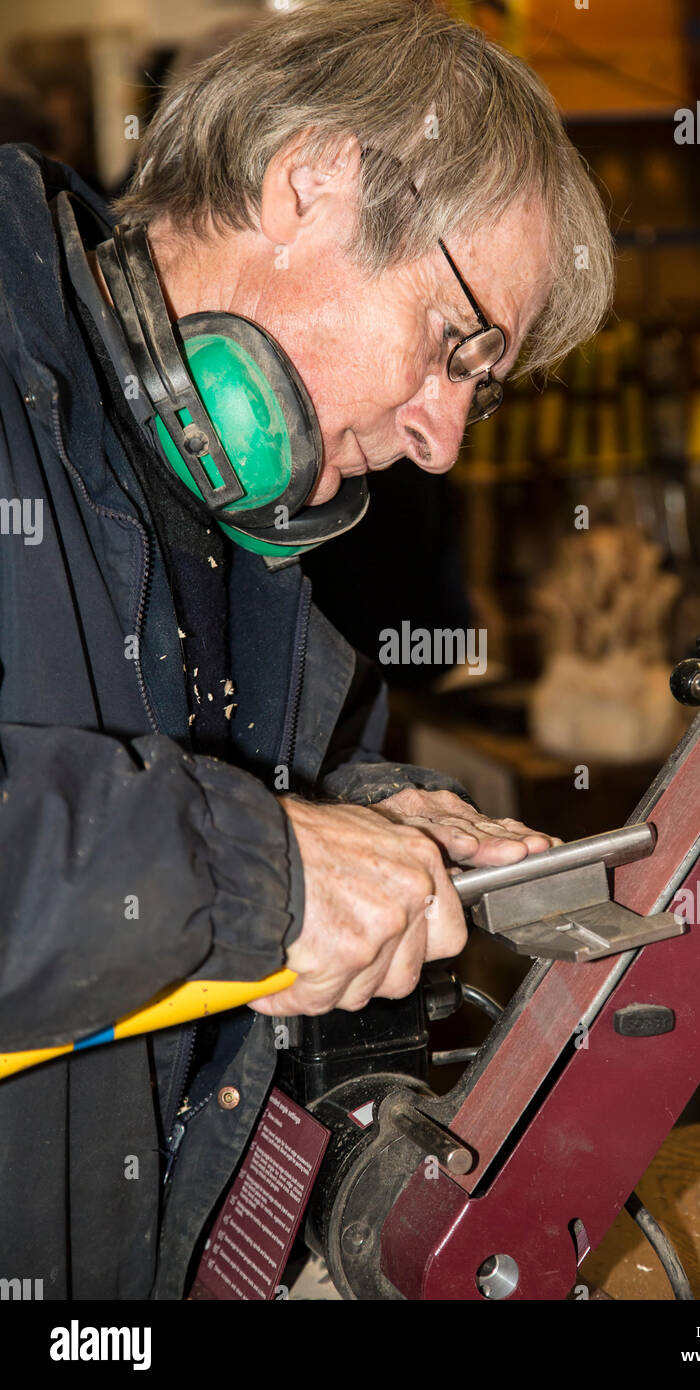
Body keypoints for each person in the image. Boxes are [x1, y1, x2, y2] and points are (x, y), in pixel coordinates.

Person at [0, 0, 614, 1300]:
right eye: (455, 345)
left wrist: (365, 822)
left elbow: (153, 772)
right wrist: (260, 867)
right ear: (307, 183)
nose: (445, 439)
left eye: (482, 385)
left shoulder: (233, 521)